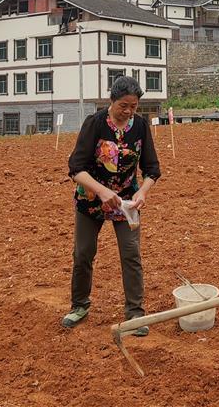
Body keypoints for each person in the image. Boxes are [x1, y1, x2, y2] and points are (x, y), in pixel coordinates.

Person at [62, 76, 161, 334]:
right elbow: (76, 168)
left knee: (131, 254)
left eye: (133, 106)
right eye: (123, 106)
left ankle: (135, 314)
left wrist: (143, 193)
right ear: (111, 101)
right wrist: (103, 191)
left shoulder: (139, 126)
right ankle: (79, 306)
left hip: (126, 201)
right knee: (83, 253)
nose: (128, 111)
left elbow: (152, 169)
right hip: (91, 199)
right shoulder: (94, 124)